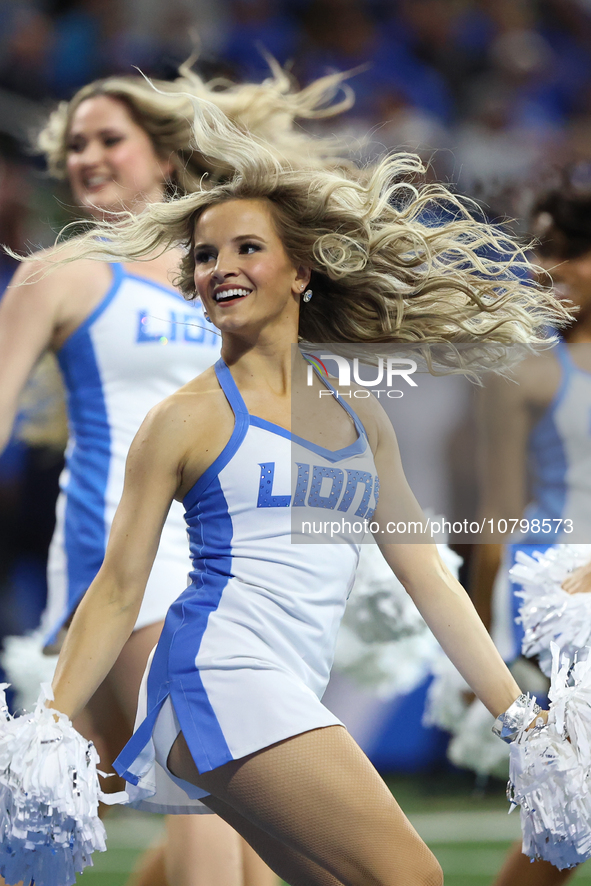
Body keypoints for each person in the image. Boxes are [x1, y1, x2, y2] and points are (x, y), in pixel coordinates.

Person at [28, 99, 569, 886]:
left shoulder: (360, 414)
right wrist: (47, 727)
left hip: (284, 683)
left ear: (301, 271)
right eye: (206, 255)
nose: (221, 268)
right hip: (220, 675)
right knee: (411, 879)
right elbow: (118, 588)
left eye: (247, 248)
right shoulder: (184, 418)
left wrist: (519, 718)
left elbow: (429, 580)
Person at [0, 61, 353, 886]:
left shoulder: (217, 270)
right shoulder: (61, 272)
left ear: (164, 156)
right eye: (76, 144)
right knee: (207, 800)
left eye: (109, 139)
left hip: (228, 554)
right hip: (124, 555)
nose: (88, 155)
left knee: (242, 829)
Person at [471, 186, 591, 886]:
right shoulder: (525, 370)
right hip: (565, 603)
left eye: (567, 250)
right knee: (570, 804)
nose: (548, 266)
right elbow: (493, 510)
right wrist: (485, 635)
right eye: (539, 251)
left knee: (574, 801)